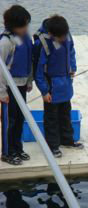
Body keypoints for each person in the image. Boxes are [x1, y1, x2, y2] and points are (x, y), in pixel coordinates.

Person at [35, 15, 83, 158]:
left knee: (65, 113)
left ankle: (67, 140)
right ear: (51, 34)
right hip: (51, 85)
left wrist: (72, 66)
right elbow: (39, 71)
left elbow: (72, 51)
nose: (63, 39)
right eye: (59, 37)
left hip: (66, 83)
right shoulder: (43, 44)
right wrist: (44, 91)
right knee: (51, 118)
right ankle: (53, 145)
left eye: (64, 35)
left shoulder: (66, 36)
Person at [0, 5, 33, 165]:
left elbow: (29, 60)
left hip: (21, 85)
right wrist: (2, 93)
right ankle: (7, 152)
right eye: (24, 25)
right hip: (9, 88)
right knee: (10, 121)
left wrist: (28, 81)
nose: (26, 28)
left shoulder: (25, 37)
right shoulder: (5, 42)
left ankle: (17, 148)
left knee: (20, 118)